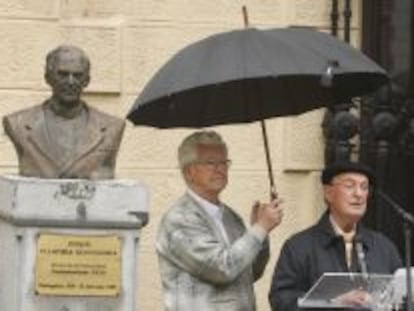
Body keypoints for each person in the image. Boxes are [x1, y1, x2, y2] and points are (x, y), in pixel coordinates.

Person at [156, 130, 284, 311]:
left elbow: (249, 272)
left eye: (224, 162)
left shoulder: (231, 217)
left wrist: (260, 233)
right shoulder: (179, 220)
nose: (220, 168)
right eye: (210, 163)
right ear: (189, 172)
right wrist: (260, 229)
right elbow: (221, 268)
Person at [269, 161, 402, 311]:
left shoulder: (384, 247)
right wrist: (331, 303)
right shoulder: (299, 246)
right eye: (349, 186)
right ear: (328, 193)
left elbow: (402, 298)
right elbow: (281, 300)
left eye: (364, 187)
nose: (358, 194)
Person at [2, 45, 125, 179]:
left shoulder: (111, 128)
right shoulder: (19, 123)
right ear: (47, 78)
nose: (71, 82)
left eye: (78, 75)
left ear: (87, 81)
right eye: (62, 74)